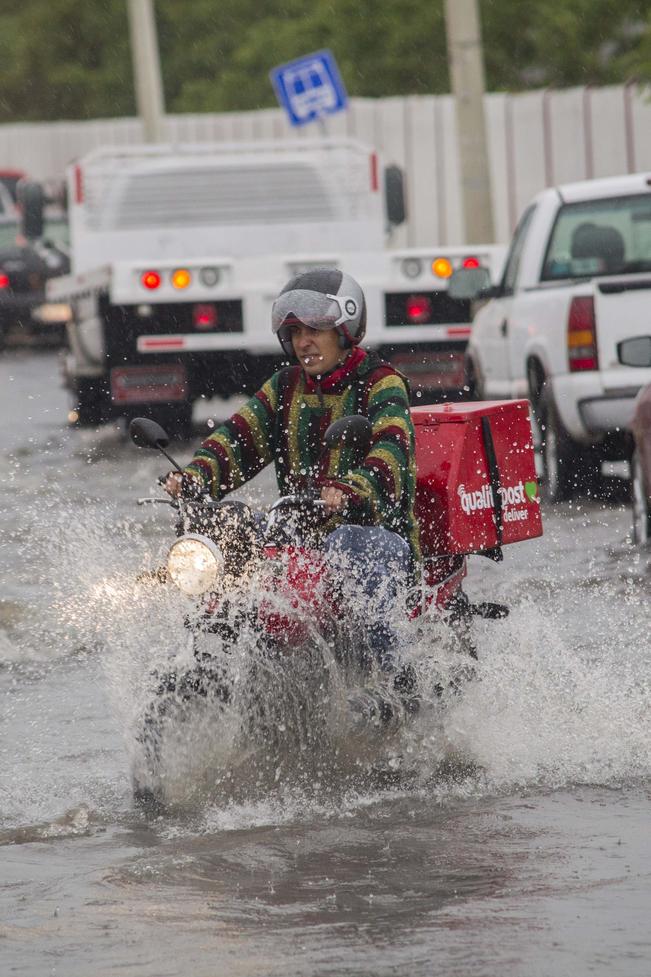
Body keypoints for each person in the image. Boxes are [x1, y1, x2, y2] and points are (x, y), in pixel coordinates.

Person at [165, 267, 420, 679]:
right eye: (296, 332)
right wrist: (195, 476)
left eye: (315, 329)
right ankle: (213, 672)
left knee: (351, 543)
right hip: (298, 539)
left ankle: (392, 681)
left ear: (344, 328)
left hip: (376, 533)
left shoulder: (381, 383)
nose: (304, 342)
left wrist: (353, 489)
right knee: (235, 532)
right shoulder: (284, 387)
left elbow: (392, 449)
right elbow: (238, 437)